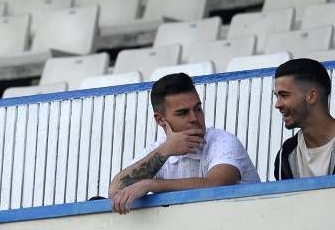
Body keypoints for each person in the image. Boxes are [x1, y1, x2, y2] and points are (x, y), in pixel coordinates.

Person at [109, 72, 260, 214]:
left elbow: (216, 185)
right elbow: (115, 190)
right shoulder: (159, 149)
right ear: (160, 120)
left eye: (198, 109)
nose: (194, 118)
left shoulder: (223, 140)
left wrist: (151, 185)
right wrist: (166, 150)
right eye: (183, 113)